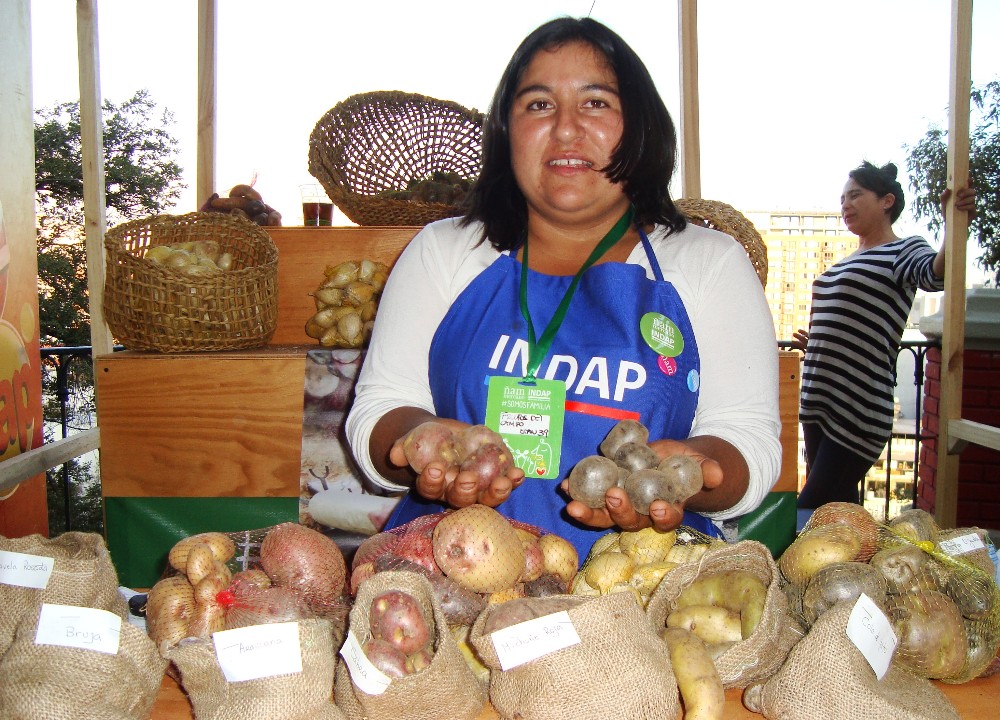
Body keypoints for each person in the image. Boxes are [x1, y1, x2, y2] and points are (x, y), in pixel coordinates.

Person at [345, 16, 781, 558]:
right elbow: (381, 408)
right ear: (507, 132)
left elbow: (749, 442)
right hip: (447, 573)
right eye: (538, 104)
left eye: (595, 102)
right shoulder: (444, 253)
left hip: (639, 592)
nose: (567, 129)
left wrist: (686, 473)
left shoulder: (708, 264)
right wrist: (422, 443)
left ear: (640, 127)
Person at [792, 161, 976, 509]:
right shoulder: (847, 261)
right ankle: (860, 562)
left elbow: (935, 273)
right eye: (843, 198)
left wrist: (956, 224)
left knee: (809, 508)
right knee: (839, 512)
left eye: (856, 195)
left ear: (886, 201)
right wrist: (820, 345)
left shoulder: (901, 251)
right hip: (819, 400)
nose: (845, 205)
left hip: (857, 405)